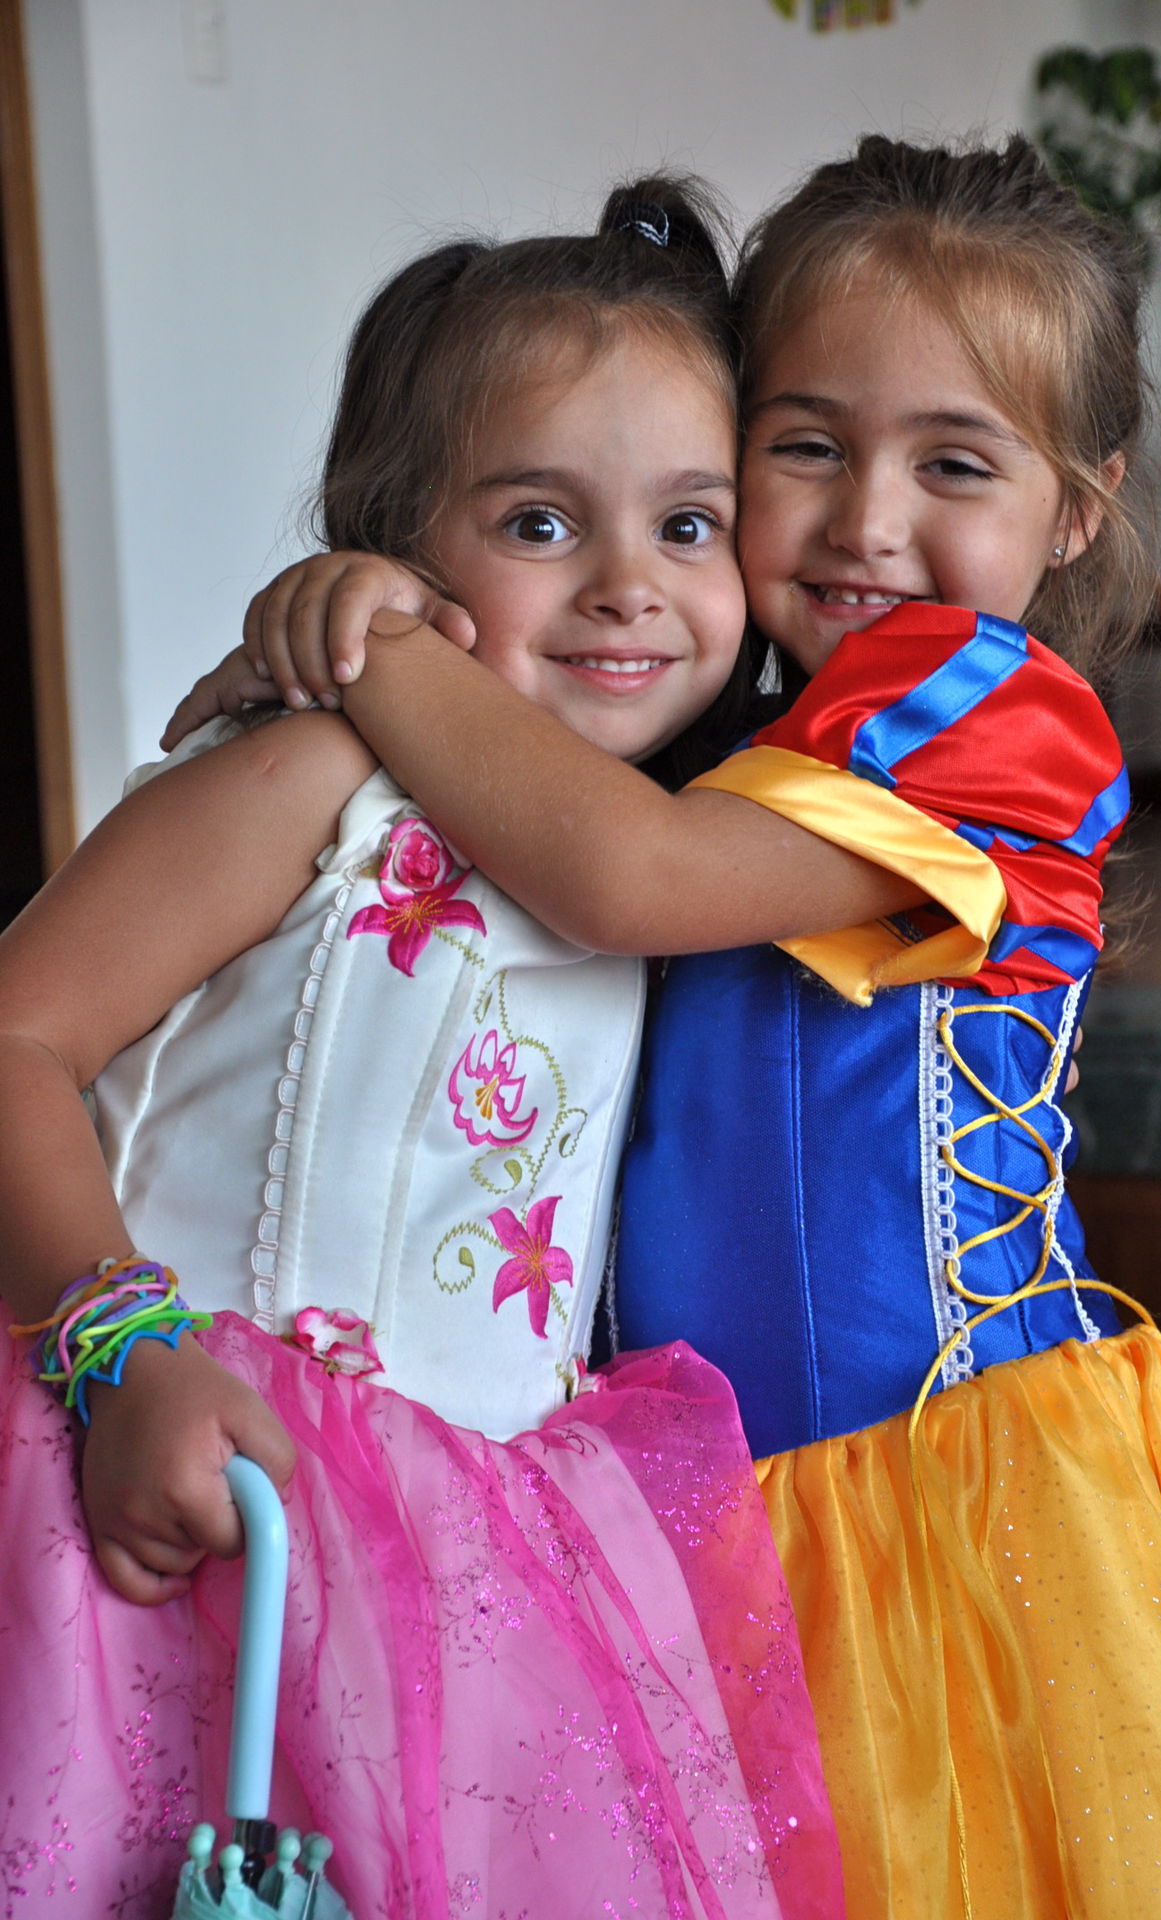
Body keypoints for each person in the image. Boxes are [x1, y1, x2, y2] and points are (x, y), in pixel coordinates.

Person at [175, 136, 1161, 1917]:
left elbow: (628, 880)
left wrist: (382, 645)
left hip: (955, 1505)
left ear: (1079, 508)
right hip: (695, 1514)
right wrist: (390, 593)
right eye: (806, 445)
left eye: (954, 464)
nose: (866, 521)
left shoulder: (992, 718)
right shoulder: (725, 724)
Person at [0, 179, 847, 1919]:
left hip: (487, 1566)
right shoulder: (315, 777)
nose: (628, 585)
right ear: (399, 545)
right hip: (161, 1475)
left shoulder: (684, 846)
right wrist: (120, 1349)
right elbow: (16, 1031)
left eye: (690, 525)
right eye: (540, 520)